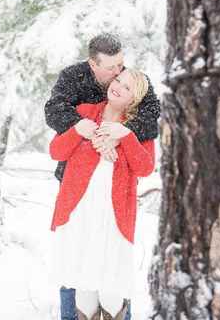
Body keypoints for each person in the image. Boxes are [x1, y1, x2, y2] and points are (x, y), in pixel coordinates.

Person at [44, 33, 161, 319]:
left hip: (115, 207)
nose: (118, 75)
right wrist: (85, 130)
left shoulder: (134, 82)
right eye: (113, 70)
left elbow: (151, 114)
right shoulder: (75, 81)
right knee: (77, 276)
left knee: (112, 283)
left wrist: (125, 134)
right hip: (78, 197)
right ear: (93, 65)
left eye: (122, 67)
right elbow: (55, 114)